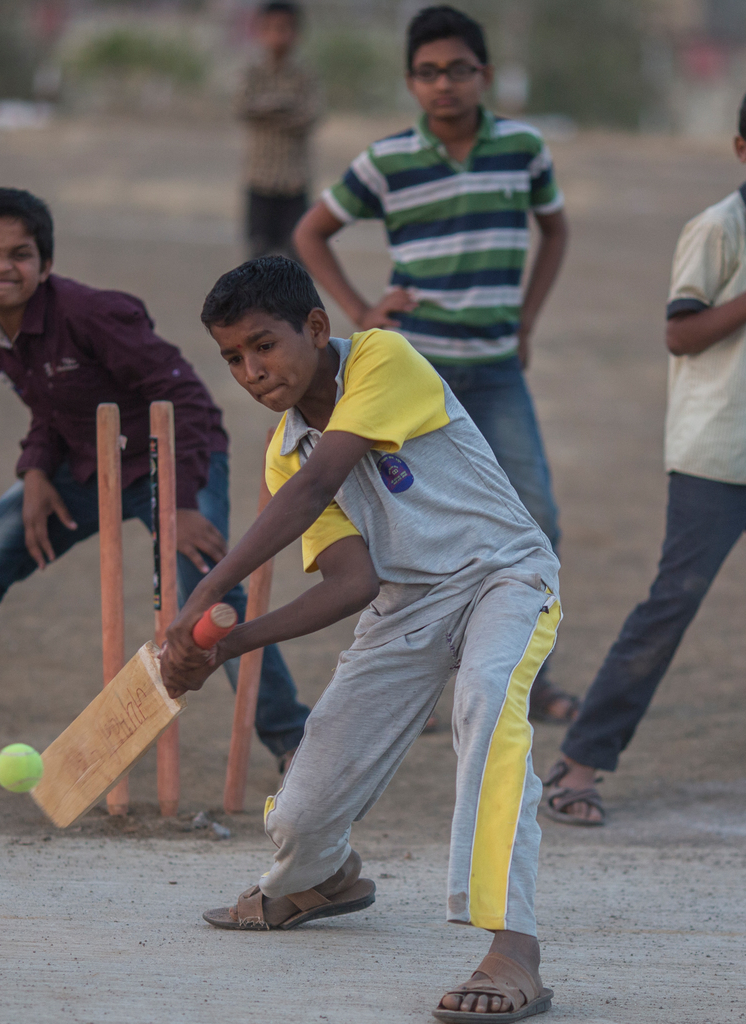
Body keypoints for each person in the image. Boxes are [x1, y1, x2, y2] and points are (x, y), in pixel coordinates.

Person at [162, 256, 560, 1022]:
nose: (251, 371)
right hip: (407, 602)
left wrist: (210, 591)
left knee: (486, 706)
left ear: (316, 327)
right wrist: (226, 644)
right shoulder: (286, 452)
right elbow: (350, 583)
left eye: (263, 345)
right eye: (233, 358)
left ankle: (514, 948)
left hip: (504, 575)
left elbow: (318, 486)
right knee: (298, 817)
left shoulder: (382, 357)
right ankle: (322, 878)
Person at [0, 189, 311, 775]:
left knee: (208, 592)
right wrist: (34, 470)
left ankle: (295, 743)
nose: (2, 266)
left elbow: (187, 399)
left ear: (45, 265)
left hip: (170, 461)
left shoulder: (93, 314)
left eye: (20, 254)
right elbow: (48, 406)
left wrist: (180, 504)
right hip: (86, 468)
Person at [543, 80, 746, 827]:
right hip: (715, 450)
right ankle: (578, 763)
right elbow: (679, 334)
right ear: (741, 146)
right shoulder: (717, 228)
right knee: (671, 607)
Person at [294, 4, 576, 724]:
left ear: (484, 74)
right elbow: (312, 231)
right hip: (416, 381)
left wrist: (530, 319)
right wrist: (362, 311)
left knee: (534, 514)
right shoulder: (387, 160)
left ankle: (521, 673)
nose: (443, 84)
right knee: (416, 529)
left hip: (495, 368)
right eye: (428, 73)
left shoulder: (522, 148)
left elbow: (555, 227)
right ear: (411, 82)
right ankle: (420, 680)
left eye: (458, 69)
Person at [236, 1, 319, 261]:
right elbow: (242, 108)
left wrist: (269, 109)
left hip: (294, 182)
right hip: (259, 181)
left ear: (297, 33)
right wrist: (283, 107)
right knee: (256, 262)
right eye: (271, 28)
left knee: (295, 262)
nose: (278, 35)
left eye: (285, 28)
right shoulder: (251, 72)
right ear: (260, 31)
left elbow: (310, 115)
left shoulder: (305, 75)